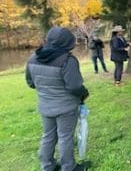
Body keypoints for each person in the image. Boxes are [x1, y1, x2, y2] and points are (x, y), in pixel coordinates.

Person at [25, 26, 90, 171]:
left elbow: (30, 83)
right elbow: (75, 87)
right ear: (68, 43)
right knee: (65, 137)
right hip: (66, 108)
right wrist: (84, 93)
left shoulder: (33, 58)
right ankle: (69, 167)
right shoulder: (68, 60)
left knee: (48, 136)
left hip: (45, 107)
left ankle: (47, 166)